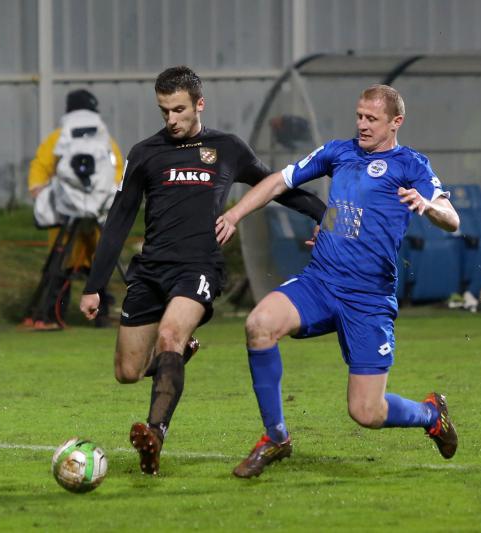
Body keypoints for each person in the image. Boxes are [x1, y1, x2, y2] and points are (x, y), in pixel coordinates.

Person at [79, 66, 326, 475]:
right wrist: (94, 285)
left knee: (170, 335)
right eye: (164, 111)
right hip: (150, 270)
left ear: (199, 104)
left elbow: (274, 185)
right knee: (127, 372)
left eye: (179, 109)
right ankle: (176, 358)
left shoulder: (227, 148)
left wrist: (322, 213)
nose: (171, 119)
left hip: (198, 267)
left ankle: (154, 434)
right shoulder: (144, 153)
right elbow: (119, 219)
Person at [215, 84, 460, 478]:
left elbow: (452, 219)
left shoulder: (411, 165)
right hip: (321, 281)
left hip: (368, 297)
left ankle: (431, 414)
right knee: (259, 325)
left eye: (371, 119)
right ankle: (276, 437)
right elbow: (280, 182)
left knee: (366, 411)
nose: (362, 124)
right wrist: (233, 215)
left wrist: (428, 205)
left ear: (395, 122)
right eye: (359, 116)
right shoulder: (338, 152)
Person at [26, 89, 124, 329]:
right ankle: (101, 315)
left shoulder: (58, 137)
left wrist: (40, 193)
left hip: (66, 218)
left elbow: (40, 167)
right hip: (97, 220)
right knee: (100, 265)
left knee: (59, 266)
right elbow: (117, 171)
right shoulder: (105, 140)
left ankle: (50, 315)